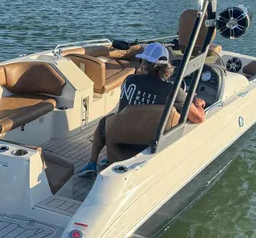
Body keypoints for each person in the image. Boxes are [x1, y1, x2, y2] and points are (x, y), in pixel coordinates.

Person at [78, 43, 206, 177]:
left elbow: (122, 110)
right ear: (166, 68)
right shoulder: (173, 91)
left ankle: (92, 163)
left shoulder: (129, 81)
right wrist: (199, 105)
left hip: (125, 137)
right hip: (152, 143)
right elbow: (198, 118)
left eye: (142, 61)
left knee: (104, 122)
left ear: (145, 64)